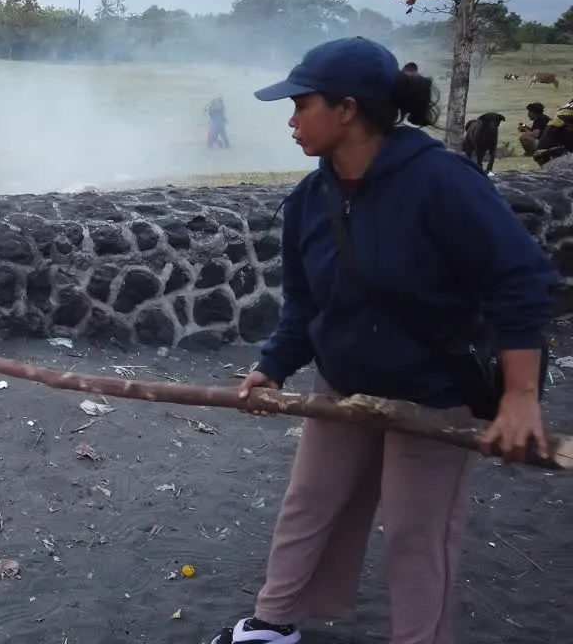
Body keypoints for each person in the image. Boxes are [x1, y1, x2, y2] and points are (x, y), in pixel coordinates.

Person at [211, 37, 556, 644]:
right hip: (343, 384)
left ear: (347, 109)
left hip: (434, 391)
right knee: (308, 505)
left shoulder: (440, 181)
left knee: (415, 533)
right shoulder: (310, 201)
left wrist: (521, 396)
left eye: (301, 104)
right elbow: (306, 305)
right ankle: (273, 626)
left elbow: (521, 279)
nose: (291, 120)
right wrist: (272, 368)